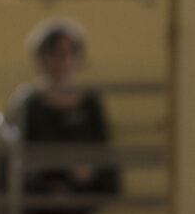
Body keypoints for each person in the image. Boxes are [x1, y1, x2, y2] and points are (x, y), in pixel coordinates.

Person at [8, 20, 120, 211]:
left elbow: (103, 150)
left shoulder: (90, 102)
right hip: (41, 200)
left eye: (71, 53)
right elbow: (17, 158)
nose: (64, 61)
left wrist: (90, 171)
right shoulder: (28, 102)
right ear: (42, 57)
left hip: (82, 197)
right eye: (56, 53)